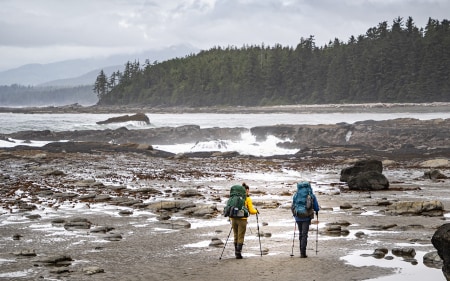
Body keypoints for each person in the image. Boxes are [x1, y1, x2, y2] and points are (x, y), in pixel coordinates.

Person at [230, 182, 258, 259]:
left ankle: (236, 252)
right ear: (246, 190)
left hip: (233, 218)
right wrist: (256, 211)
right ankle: (238, 254)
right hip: (242, 220)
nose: (248, 192)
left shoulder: (234, 198)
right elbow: (251, 211)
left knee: (235, 235)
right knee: (240, 236)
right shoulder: (247, 198)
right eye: (248, 190)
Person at [292, 181, 320, 258]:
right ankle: (303, 253)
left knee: (301, 233)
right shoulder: (311, 195)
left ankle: (301, 251)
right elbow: (316, 207)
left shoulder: (296, 195)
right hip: (306, 217)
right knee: (304, 234)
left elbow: (293, 205)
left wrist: (294, 214)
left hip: (298, 216)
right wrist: (317, 211)